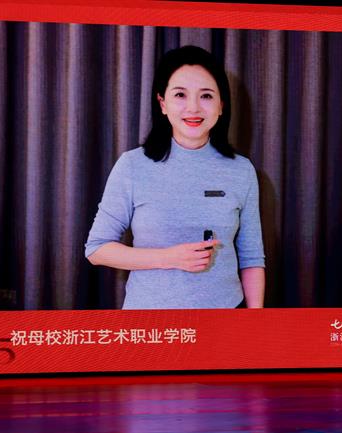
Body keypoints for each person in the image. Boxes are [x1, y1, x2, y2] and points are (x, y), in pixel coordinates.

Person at [85, 45, 265, 309]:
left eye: (206, 96)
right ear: (162, 104)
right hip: (152, 320)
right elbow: (97, 249)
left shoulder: (241, 170)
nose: (193, 108)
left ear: (221, 106)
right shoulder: (133, 165)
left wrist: (256, 320)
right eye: (180, 94)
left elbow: (252, 258)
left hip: (226, 317)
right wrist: (170, 258)